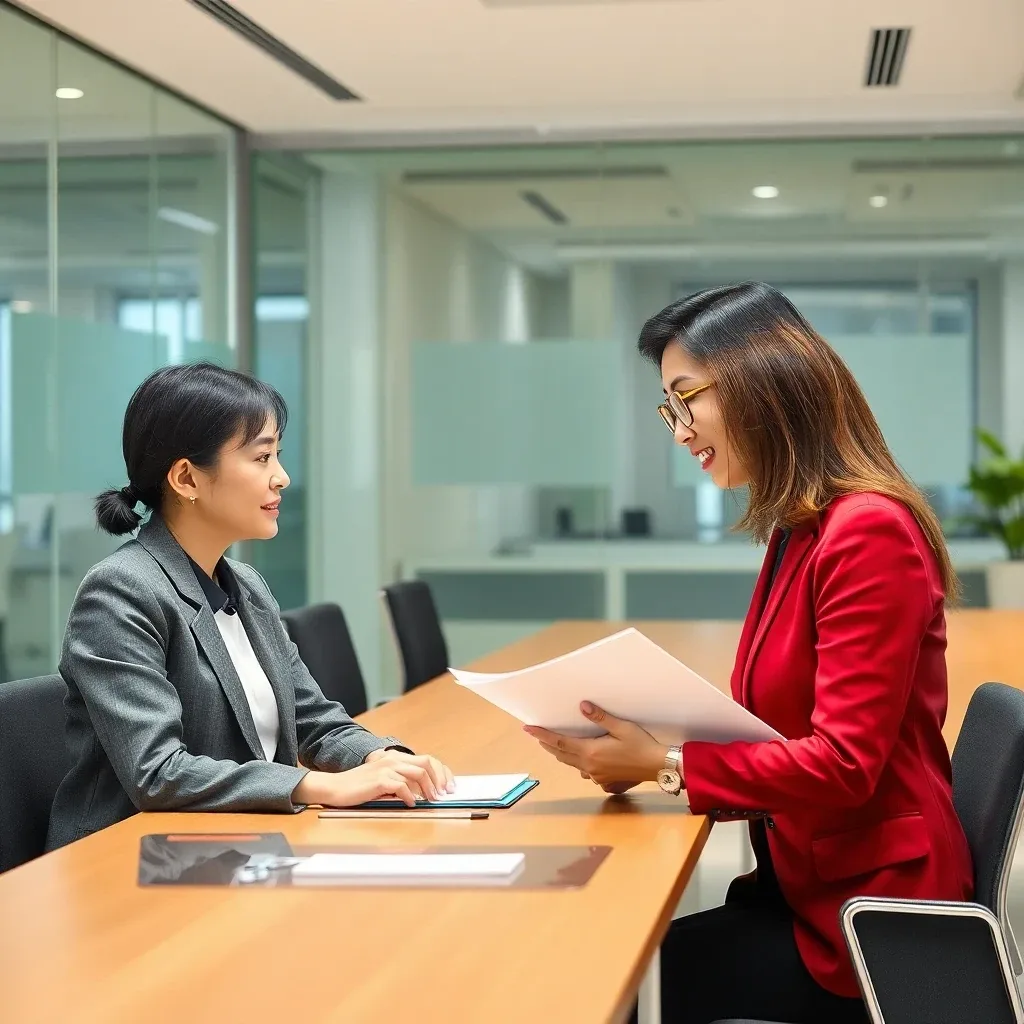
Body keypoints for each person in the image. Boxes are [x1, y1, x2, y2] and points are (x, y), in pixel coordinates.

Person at [523, 283, 973, 1023]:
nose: (677, 430)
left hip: (875, 921)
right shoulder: (802, 525)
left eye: (684, 398)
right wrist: (648, 744)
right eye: (667, 408)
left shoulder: (867, 530)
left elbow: (843, 764)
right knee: (614, 963)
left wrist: (664, 767)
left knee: (611, 979)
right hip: (812, 885)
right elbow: (781, 727)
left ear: (763, 379)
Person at [47, 362, 453, 852]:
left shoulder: (246, 585)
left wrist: (382, 759)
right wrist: (315, 787)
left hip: (233, 846)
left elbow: (311, 719)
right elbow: (157, 772)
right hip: (126, 862)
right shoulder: (120, 592)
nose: (281, 477)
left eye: (277, 456)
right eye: (262, 458)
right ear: (186, 478)